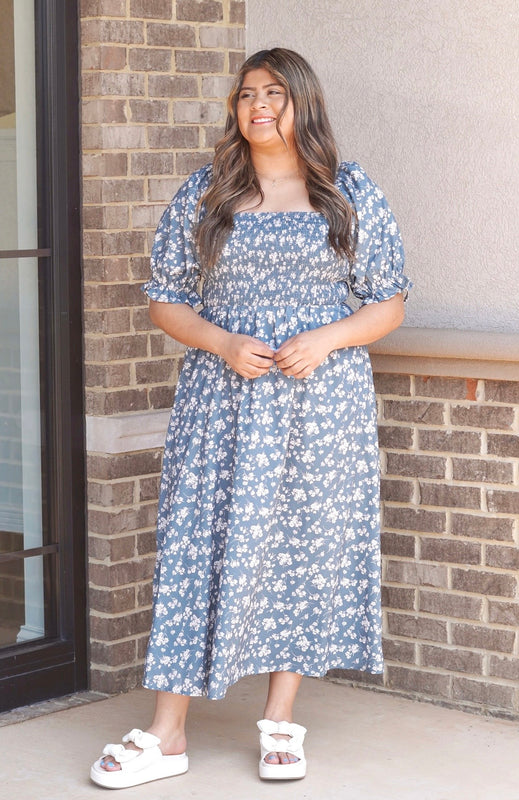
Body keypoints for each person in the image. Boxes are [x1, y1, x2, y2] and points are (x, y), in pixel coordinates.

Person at [90, 47, 410, 789]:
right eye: (245, 94)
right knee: (194, 545)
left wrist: (327, 338)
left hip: (318, 407)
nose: (257, 105)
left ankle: (280, 723)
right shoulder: (207, 193)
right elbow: (165, 299)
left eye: (273, 93)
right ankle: (167, 733)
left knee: (299, 547)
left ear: (303, 103)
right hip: (222, 400)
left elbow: (388, 301)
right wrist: (222, 342)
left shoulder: (348, 192)